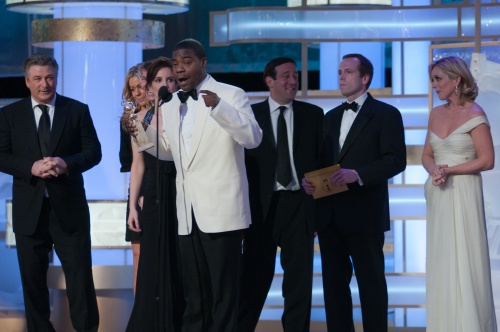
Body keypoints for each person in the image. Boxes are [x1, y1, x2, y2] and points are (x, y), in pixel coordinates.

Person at [130, 38, 262, 332]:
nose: (179, 69)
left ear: (203, 62)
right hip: (187, 215)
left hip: (222, 212)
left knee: (224, 295)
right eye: (176, 63)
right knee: (194, 296)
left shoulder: (232, 94)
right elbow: (167, 151)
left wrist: (219, 108)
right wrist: (139, 133)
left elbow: (253, 138)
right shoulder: (172, 102)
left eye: (186, 62)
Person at [302, 53, 406, 332]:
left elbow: (396, 160)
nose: (341, 77)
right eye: (339, 72)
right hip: (330, 216)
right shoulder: (330, 117)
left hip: (365, 214)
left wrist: (358, 174)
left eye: (348, 72)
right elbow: (321, 162)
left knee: (371, 285)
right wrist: (309, 182)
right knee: (334, 288)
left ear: (365, 78)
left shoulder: (386, 114)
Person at [0, 53, 101, 331]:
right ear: (27, 81)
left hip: (69, 212)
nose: (44, 84)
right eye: (37, 78)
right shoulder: (9, 115)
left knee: (80, 279)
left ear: (56, 78)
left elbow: (93, 153)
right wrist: (30, 167)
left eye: (49, 77)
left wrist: (66, 163)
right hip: (28, 212)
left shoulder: (77, 110)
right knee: (32, 282)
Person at [238, 57, 323, 332]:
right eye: (285, 75)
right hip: (261, 209)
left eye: (295, 75)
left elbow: (323, 162)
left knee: (299, 284)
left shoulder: (314, 115)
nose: (292, 80)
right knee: (253, 280)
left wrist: (317, 206)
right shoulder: (250, 115)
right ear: (269, 81)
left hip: (300, 206)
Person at [422, 56, 497, 331]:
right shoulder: (435, 114)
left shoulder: (475, 114)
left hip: (463, 193)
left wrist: (451, 171)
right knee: (442, 261)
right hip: (439, 193)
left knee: (465, 258)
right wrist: (434, 171)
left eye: (438, 79)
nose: (434, 85)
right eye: (432, 79)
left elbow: (487, 160)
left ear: (457, 80)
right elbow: (427, 155)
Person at [126, 56, 184, 332]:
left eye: (170, 79)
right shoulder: (138, 119)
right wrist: (132, 207)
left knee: (179, 259)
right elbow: (138, 166)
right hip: (153, 192)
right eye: (159, 80)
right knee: (151, 260)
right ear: (150, 86)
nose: (165, 85)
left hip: (182, 192)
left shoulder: (186, 113)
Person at [119, 63, 153, 295]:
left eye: (141, 86)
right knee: (138, 254)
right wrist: (136, 198)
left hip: (162, 187)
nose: (138, 92)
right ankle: (140, 314)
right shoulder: (130, 120)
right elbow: (133, 163)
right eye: (133, 89)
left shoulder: (165, 112)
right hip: (139, 190)